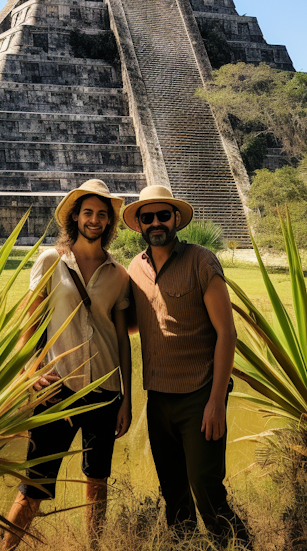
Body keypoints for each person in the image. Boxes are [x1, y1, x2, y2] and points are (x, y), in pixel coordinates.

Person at [0, 179, 132, 550]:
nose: (94, 220)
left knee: (97, 482)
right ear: (75, 216)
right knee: (34, 486)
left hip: (104, 391)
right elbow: (31, 322)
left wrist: (127, 400)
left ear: (109, 223)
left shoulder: (118, 274)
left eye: (102, 215)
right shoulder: (51, 260)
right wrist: (30, 372)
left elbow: (122, 340)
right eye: (88, 212)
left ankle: (93, 548)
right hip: (57, 388)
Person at [124, 184, 252, 548]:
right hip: (158, 398)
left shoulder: (201, 260)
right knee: (174, 495)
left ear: (176, 218)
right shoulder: (136, 267)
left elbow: (227, 333)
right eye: (147, 218)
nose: (155, 223)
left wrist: (216, 401)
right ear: (139, 225)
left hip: (199, 396)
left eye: (163, 215)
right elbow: (135, 323)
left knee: (207, 491)